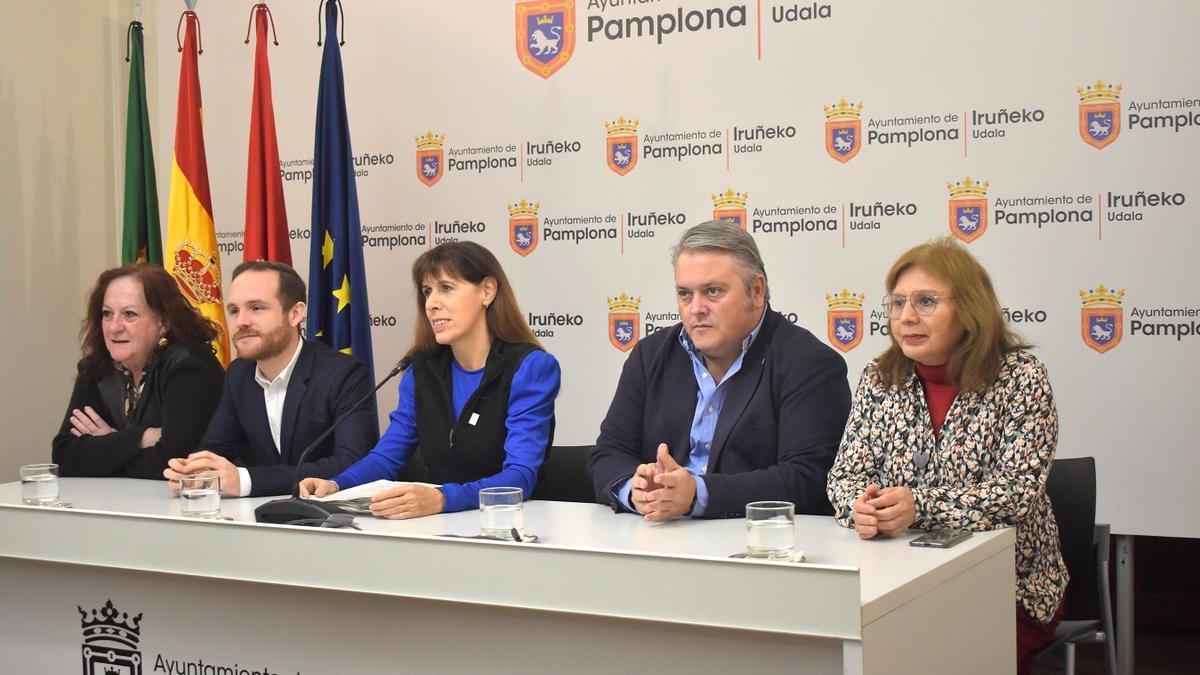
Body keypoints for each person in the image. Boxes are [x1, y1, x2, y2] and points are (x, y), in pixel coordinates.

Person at [825, 236, 1067, 674]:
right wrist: (859, 507)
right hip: (896, 579)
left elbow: (1017, 494)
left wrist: (919, 506)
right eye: (897, 303)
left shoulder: (1019, 378)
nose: (907, 317)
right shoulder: (881, 378)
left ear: (970, 309)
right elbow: (843, 477)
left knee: (924, 657)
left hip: (1006, 584)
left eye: (926, 302)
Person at [588, 220, 851, 520]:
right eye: (685, 294)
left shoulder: (809, 364)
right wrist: (635, 491)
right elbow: (608, 454)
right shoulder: (651, 355)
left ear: (756, 290)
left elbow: (808, 478)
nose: (696, 308)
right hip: (656, 538)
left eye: (712, 291)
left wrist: (698, 494)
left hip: (755, 548)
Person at [299, 241, 561, 519]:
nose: (432, 304)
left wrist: (442, 498)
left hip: (509, 523)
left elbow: (520, 476)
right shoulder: (420, 369)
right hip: (437, 526)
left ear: (487, 291)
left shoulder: (529, 368)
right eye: (427, 292)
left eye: (446, 288)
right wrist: (337, 484)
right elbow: (387, 457)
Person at [164, 261, 377, 497]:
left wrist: (246, 481)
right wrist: (195, 471)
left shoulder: (343, 374)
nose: (241, 321)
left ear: (295, 314)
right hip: (262, 518)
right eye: (234, 310)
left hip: (331, 520)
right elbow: (217, 447)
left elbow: (352, 462)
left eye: (256, 308)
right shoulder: (239, 374)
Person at [52, 264, 225, 479]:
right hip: (119, 503)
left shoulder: (189, 365)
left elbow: (177, 461)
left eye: (129, 314)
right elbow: (64, 457)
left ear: (163, 321)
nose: (114, 327)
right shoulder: (97, 368)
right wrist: (142, 438)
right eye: (107, 314)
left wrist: (108, 446)